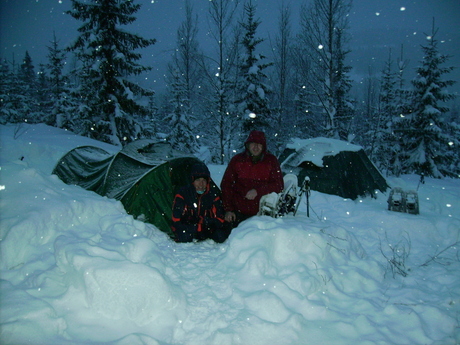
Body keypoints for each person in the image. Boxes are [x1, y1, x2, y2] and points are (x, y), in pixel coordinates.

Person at [220, 130, 284, 226]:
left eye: (259, 144)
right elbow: (226, 185)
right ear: (248, 145)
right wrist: (228, 209)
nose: (256, 147)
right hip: (237, 212)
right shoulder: (237, 160)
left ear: (263, 147)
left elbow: (278, 185)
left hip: (262, 214)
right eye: (253, 144)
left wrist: (258, 191)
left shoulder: (271, 161)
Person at [171, 162, 230, 243]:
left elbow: (220, 218)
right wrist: (192, 227)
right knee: (184, 237)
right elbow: (176, 219)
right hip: (189, 228)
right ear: (193, 181)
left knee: (221, 236)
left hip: (207, 228)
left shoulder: (213, 194)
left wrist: (206, 223)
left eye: (203, 180)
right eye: (198, 180)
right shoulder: (183, 193)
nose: (201, 184)